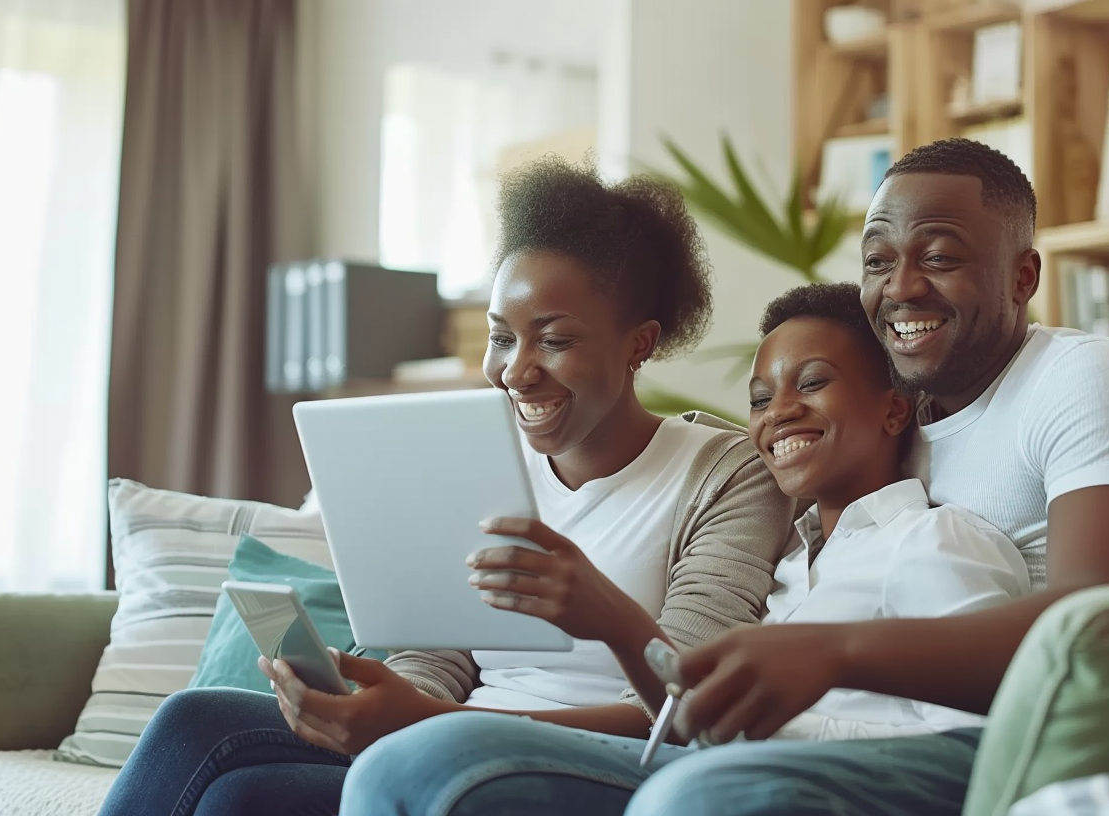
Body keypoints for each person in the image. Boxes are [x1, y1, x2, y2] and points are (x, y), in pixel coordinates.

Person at [337, 137, 1109, 816]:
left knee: (691, 792)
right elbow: (696, 694)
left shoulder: (1082, 378)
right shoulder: (878, 461)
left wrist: (831, 654)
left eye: (939, 255)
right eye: (879, 259)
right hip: (783, 740)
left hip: (1022, 740)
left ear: (1024, 275)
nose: (900, 287)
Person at [93, 156, 798, 816]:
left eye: (553, 340)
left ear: (639, 344)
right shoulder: (486, 459)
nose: (516, 371)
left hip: (585, 764)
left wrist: (427, 721)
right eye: (501, 337)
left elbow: (684, 709)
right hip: (437, 744)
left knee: (240, 799)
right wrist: (372, 706)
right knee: (197, 721)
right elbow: (439, 654)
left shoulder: (726, 474)